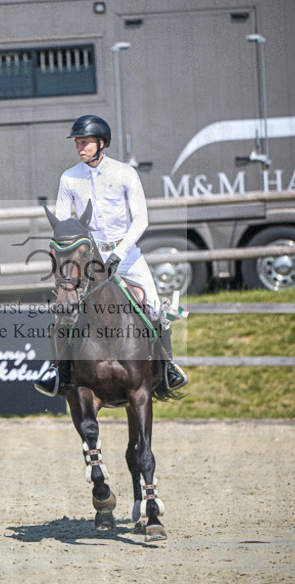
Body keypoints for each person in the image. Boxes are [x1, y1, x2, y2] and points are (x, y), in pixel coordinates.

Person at [36, 114, 188, 397]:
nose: (80, 148)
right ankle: (57, 371)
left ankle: (168, 367)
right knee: (64, 313)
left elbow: (141, 220)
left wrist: (119, 252)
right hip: (88, 259)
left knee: (155, 307)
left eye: (85, 143)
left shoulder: (124, 174)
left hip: (126, 254)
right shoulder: (69, 178)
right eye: (78, 143)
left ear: (101, 143)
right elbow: (61, 222)